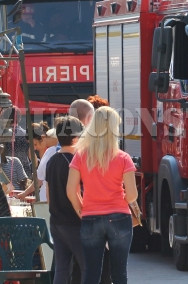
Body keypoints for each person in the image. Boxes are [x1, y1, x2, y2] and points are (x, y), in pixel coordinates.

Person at [67, 107, 138, 284]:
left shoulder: (81, 156)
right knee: (119, 273)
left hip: (91, 217)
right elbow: (132, 195)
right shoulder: (123, 158)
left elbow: (71, 190)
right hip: (120, 217)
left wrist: (82, 209)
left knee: (91, 271)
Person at [46, 116, 86, 284]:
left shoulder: (51, 160)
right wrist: (84, 214)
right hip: (74, 222)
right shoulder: (76, 162)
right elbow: (76, 192)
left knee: (62, 269)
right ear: (76, 138)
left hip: (56, 222)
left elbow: (48, 195)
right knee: (88, 267)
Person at [13, 122, 58, 201]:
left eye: (35, 144)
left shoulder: (53, 151)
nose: (35, 147)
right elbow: (39, 180)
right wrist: (24, 193)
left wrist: (25, 193)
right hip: (46, 201)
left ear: (42, 138)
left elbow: (39, 180)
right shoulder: (49, 151)